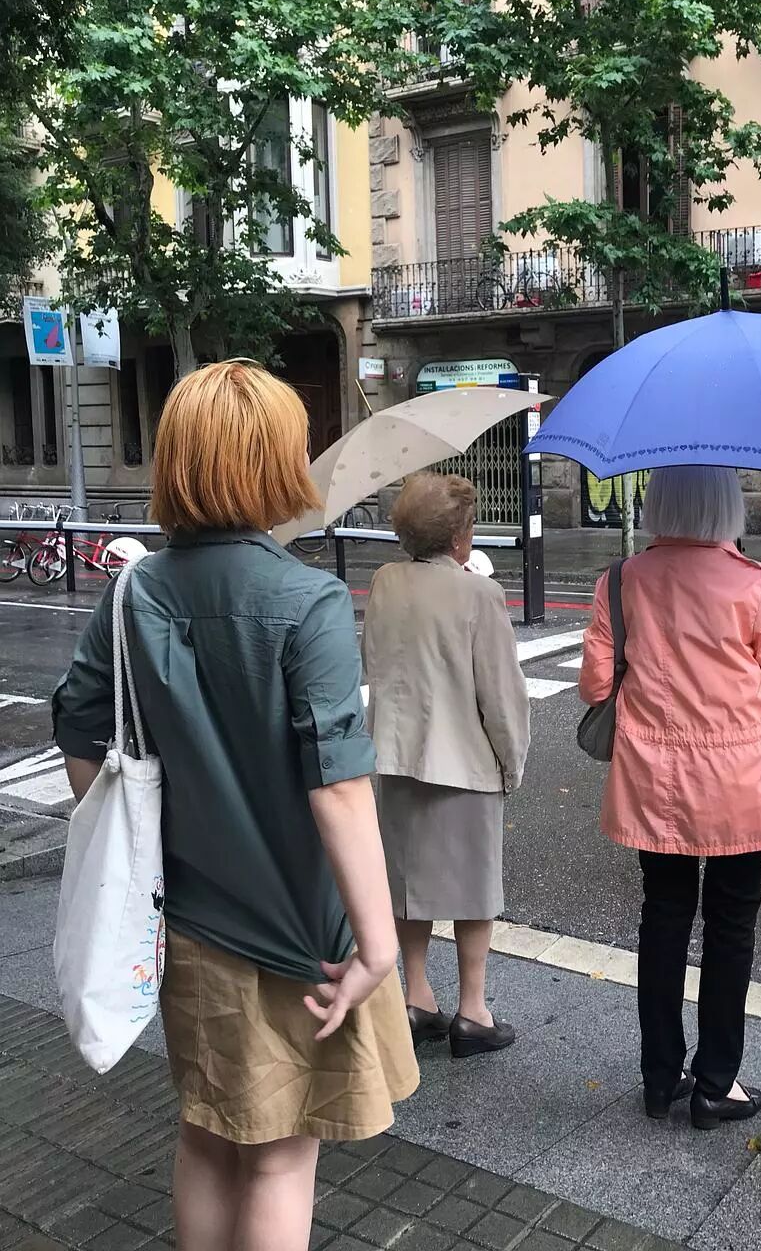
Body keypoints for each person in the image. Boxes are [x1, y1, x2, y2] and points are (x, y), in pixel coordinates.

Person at [52, 361, 418, 1251]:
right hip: (303, 933)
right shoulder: (308, 600)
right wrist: (379, 946)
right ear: (275, 464)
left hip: (186, 923)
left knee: (208, 1135)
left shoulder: (133, 593)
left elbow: (80, 737)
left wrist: (152, 836)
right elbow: (339, 785)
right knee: (282, 1158)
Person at [579, 464, 761, 1130]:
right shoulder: (750, 582)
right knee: (731, 929)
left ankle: (660, 1078)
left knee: (663, 919)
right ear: (725, 507)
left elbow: (595, 686)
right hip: (742, 784)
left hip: (655, 784)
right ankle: (716, 1084)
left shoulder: (622, 580)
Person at [363, 472, 530, 1059]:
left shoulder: (384, 582)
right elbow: (502, 696)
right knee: (473, 887)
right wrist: (512, 763)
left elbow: (375, 661)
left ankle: (416, 996)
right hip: (463, 762)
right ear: (459, 535)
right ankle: (473, 1010)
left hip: (395, 756)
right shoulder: (478, 594)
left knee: (408, 884)